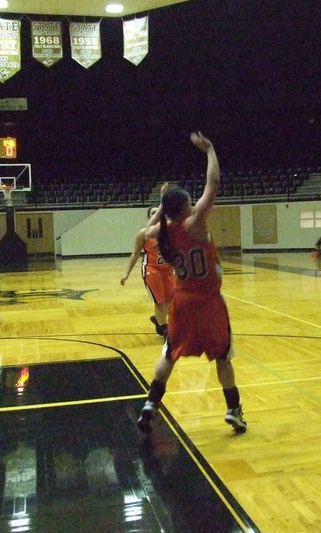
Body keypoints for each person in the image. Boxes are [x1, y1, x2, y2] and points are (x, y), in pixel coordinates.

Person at [136, 132, 246, 434]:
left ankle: (151, 403)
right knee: (223, 357)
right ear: (186, 206)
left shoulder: (163, 233)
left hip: (182, 303)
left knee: (169, 354)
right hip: (209, 302)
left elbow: (146, 231)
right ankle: (233, 410)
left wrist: (161, 203)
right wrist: (210, 149)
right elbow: (213, 183)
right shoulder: (195, 223)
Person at [120, 206, 176, 337]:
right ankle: (165, 330)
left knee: (170, 302)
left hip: (167, 270)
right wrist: (126, 274)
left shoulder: (169, 231)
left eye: (158, 212)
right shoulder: (143, 234)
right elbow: (135, 254)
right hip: (152, 270)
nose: (156, 214)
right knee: (160, 301)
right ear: (149, 217)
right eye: (153, 213)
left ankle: (158, 321)